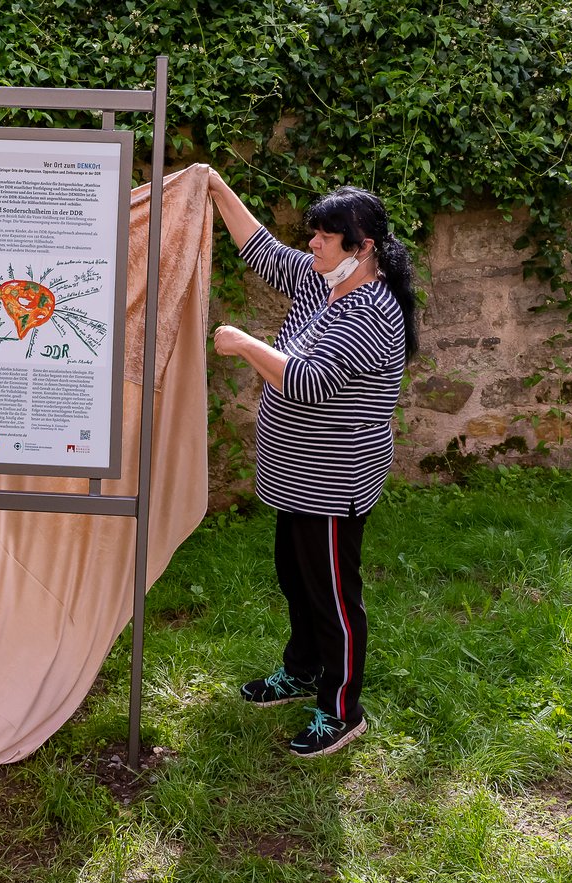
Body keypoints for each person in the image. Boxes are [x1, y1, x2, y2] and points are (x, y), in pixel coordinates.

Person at [206, 170, 417, 757]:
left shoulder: (372, 313)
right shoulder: (322, 282)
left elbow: (308, 381)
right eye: (314, 235)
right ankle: (300, 672)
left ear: (362, 247)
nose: (312, 246)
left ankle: (341, 708)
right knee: (296, 579)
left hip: (332, 481)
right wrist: (218, 188)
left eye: (325, 237)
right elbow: (262, 251)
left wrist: (244, 343)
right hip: (294, 474)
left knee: (333, 597)